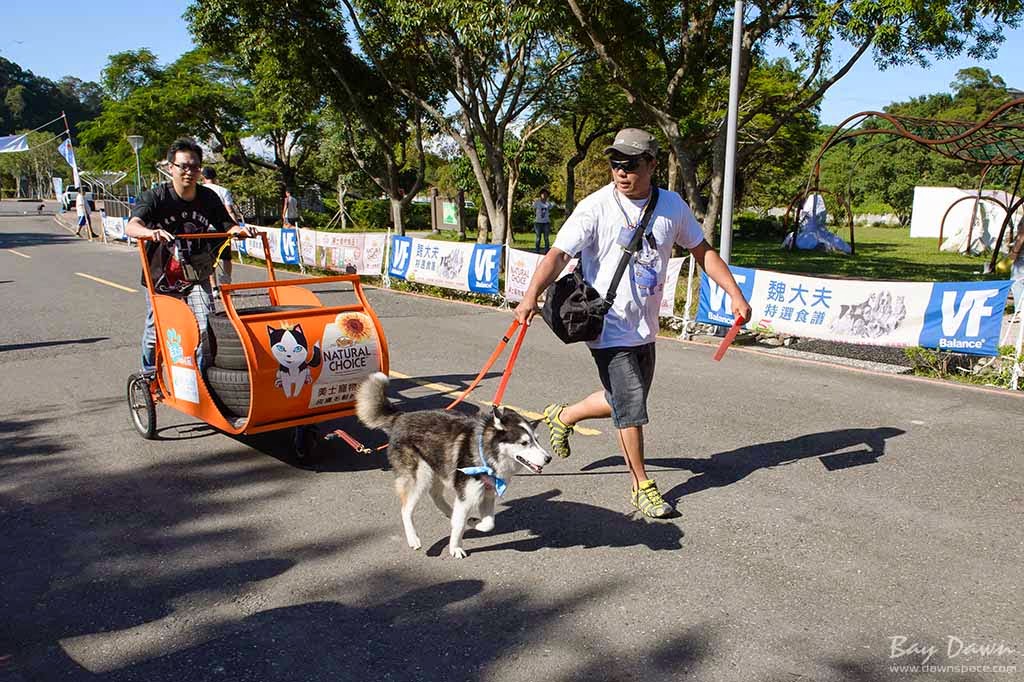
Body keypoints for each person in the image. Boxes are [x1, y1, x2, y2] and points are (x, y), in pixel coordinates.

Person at [514, 127, 752, 519]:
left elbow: (702, 252)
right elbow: (558, 254)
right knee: (630, 407)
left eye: (631, 164)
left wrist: (734, 293)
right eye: (615, 164)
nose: (621, 172)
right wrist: (529, 295)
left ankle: (564, 415)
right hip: (605, 325)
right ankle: (641, 485)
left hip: (644, 325)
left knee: (623, 401)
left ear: (652, 165)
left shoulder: (672, 206)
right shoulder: (595, 207)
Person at [126, 138, 251, 373]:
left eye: (195, 167)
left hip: (196, 272)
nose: (189, 172)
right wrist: (150, 233)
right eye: (183, 166)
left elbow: (227, 225)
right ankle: (149, 374)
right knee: (158, 330)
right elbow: (131, 226)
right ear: (170, 167)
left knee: (206, 325)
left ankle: (201, 376)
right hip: (162, 276)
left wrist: (241, 231)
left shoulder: (208, 197)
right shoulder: (156, 197)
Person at [201, 166, 244, 295]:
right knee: (226, 257)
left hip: (206, 229)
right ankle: (226, 285)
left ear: (203, 177)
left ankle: (214, 287)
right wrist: (236, 227)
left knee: (210, 259)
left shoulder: (200, 191)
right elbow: (229, 210)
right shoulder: (223, 191)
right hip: (222, 228)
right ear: (215, 177)